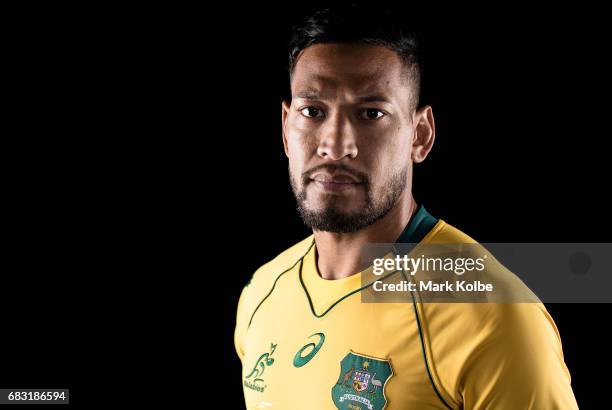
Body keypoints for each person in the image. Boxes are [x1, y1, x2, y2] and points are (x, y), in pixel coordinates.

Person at [234, 5, 578, 409]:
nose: (335, 144)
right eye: (313, 112)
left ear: (420, 135)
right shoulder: (261, 296)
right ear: (286, 130)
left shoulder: (494, 318)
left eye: (370, 113)